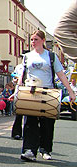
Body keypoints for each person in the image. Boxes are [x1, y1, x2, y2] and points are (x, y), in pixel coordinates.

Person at [18, 30, 76, 162]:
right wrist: (18, 91)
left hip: (48, 92)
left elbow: (61, 74)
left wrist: (71, 91)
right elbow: (22, 75)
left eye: (36, 39)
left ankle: (45, 149)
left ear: (43, 41)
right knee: (30, 122)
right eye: (32, 40)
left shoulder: (51, 56)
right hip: (31, 92)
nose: (33, 42)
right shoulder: (27, 56)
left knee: (47, 123)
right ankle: (29, 150)